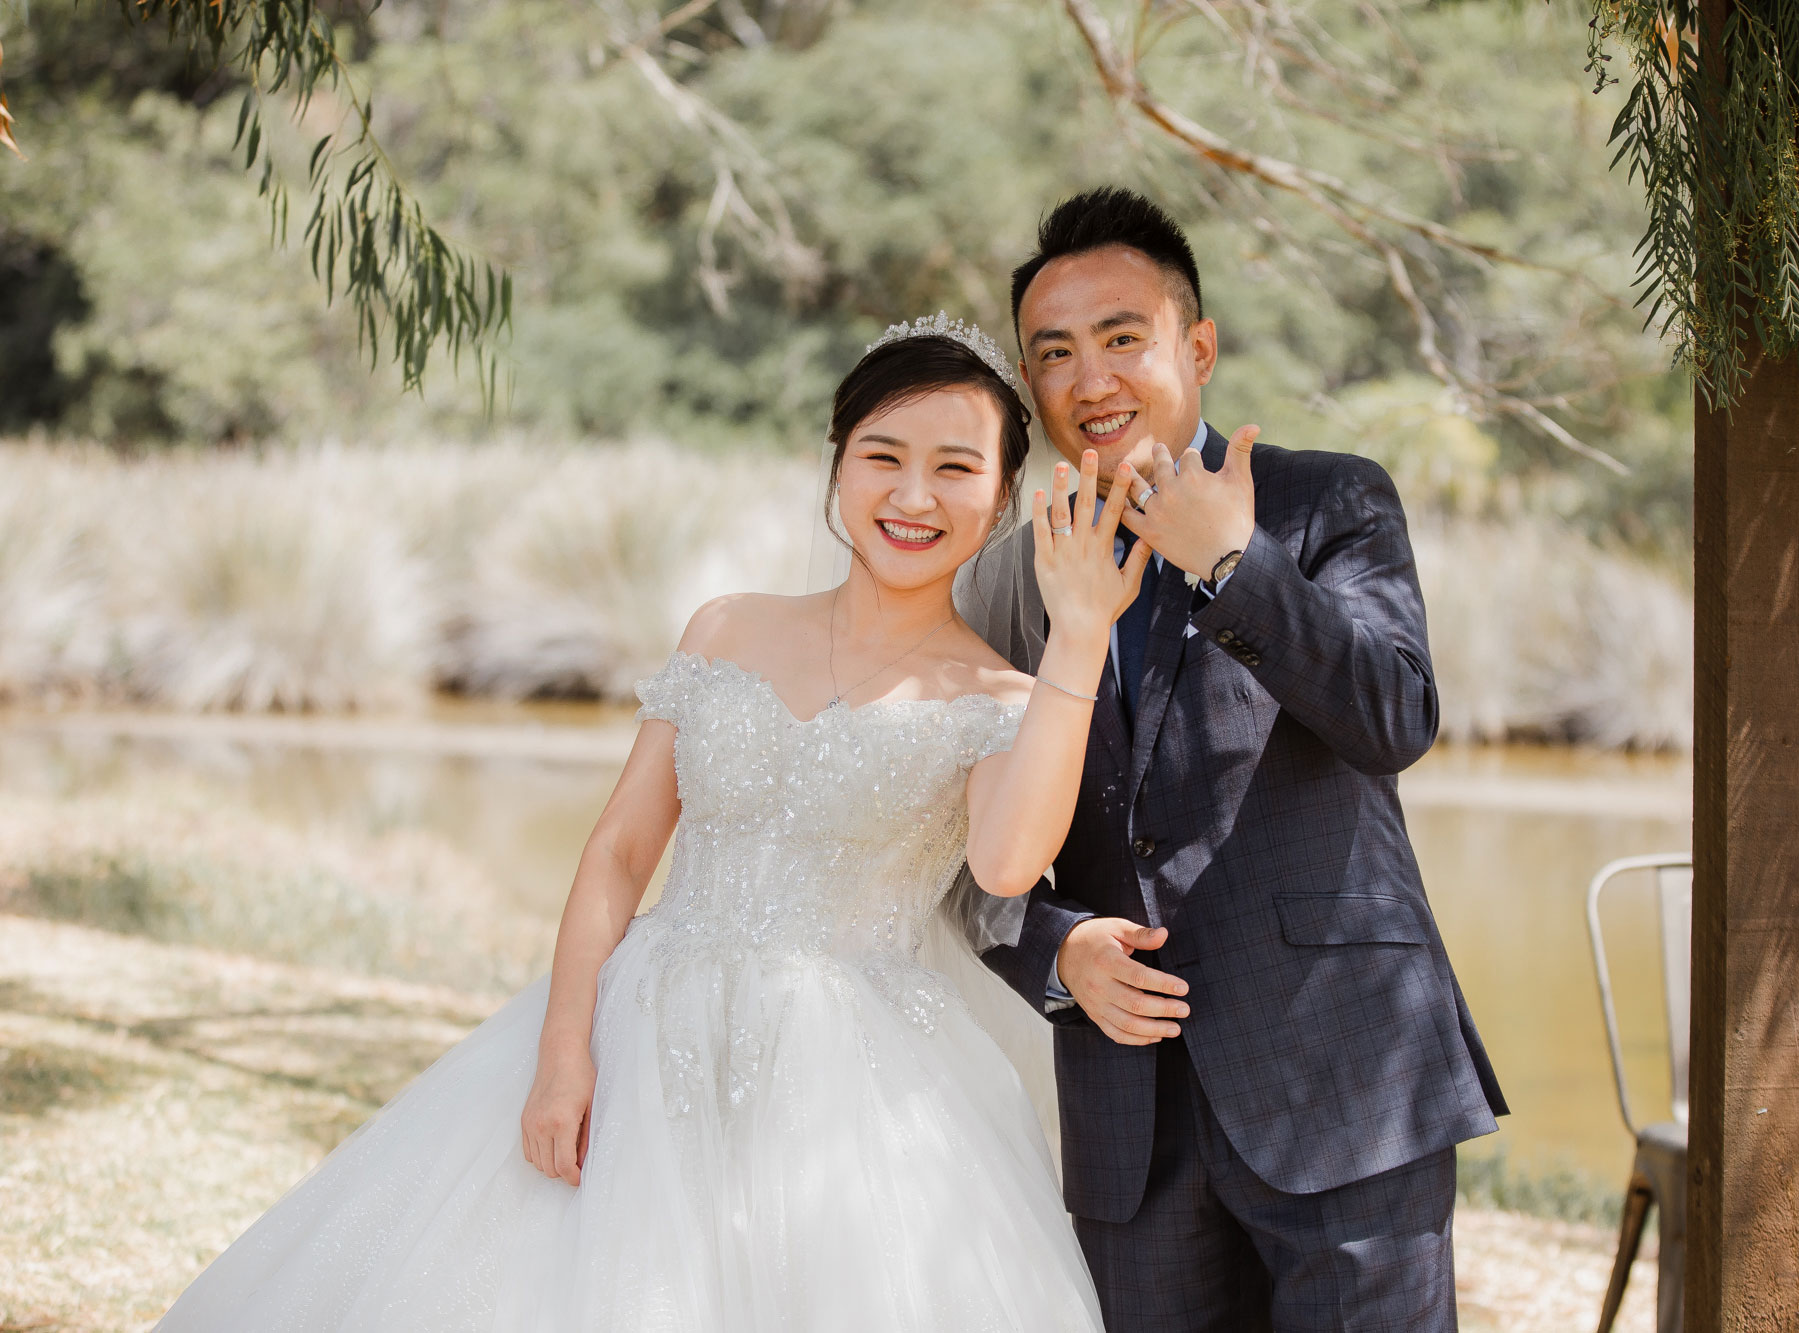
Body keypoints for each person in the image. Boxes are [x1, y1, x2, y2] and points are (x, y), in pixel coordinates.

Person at [153, 316, 1149, 1331]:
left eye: (953, 467)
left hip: (853, 1080)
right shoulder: (727, 626)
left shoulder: (999, 696)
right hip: (639, 1030)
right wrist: (562, 1052)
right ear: (837, 464)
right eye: (881, 456)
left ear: (1000, 498)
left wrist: (1075, 641)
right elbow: (619, 852)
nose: (911, 495)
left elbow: (1007, 859)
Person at [960, 187, 1509, 1332]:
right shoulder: (1009, 580)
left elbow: (1390, 716)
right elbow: (957, 853)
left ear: (1195, 347)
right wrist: (1057, 954)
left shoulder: (1327, 501)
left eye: (1122, 338)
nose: (1089, 380)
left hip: (1343, 1078)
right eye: (1052, 354)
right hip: (1130, 1123)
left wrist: (1231, 562)